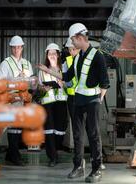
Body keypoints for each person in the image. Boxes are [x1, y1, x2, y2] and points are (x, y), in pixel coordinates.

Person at [37, 23, 109, 183]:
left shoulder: (98, 56)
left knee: (93, 135)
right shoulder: (77, 58)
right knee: (77, 135)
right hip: (78, 100)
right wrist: (47, 70)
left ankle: (96, 169)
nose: (71, 43)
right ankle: (78, 166)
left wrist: (98, 100)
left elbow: (105, 82)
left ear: (80, 38)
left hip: (92, 101)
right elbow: (67, 76)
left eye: (72, 39)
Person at [0, 35, 33, 166]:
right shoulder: (5, 63)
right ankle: (14, 156)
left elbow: (30, 82)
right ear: (11, 48)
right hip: (11, 100)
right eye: (14, 47)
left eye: (19, 47)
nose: (17, 49)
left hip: (23, 100)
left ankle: (10, 154)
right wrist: (15, 79)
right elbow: (0, 82)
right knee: (13, 128)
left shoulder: (27, 63)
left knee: (19, 128)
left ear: (22, 48)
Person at [38, 43, 68, 167]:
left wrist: (63, 84)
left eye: (54, 53)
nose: (52, 56)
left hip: (61, 102)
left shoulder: (64, 68)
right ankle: (52, 157)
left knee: (60, 130)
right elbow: (38, 86)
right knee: (49, 130)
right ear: (47, 55)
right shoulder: (43, 70)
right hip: (47, 103)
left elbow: (71, 84)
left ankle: (56, 152)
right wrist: (42, 88)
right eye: (50, 54)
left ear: (58, 55)